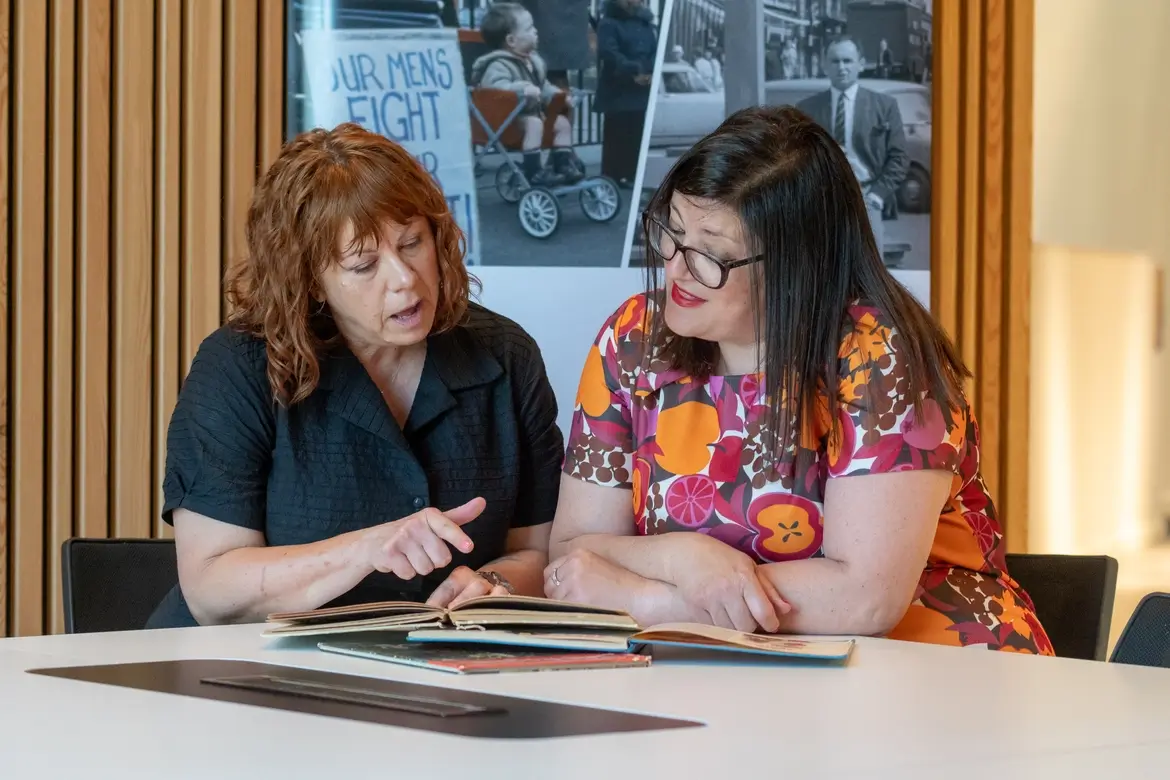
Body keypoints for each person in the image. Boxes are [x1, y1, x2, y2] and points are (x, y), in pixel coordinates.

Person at [544, 105, 1054, 655]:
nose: (674, 267)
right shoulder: (633, 338)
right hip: (727, 670)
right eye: (670, 230)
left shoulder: (877, 353)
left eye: (711, 254)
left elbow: (865, 598)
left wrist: (649, 604)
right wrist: (682, 558)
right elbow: (573, 554)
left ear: (794, 265)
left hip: (926, 661)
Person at [145, 123, 564, 629]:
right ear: (311, 282)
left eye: (412, 243)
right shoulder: (239, 366)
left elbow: (538, 553)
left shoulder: (506, 356)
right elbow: (212, 590)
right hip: (244, 675)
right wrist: (367, 548)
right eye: (364, 265)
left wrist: (495, 586)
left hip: (434, 673)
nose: (405, 279)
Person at [796, 35, 908, 257]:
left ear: (861, 64)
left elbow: (899, 158)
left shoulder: (884, 106)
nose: (842, 67)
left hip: (867, 197)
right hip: (822, 200)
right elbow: (795, 158)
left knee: (871, 271)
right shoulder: (806, 109)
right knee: (822, 269)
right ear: (825, 65)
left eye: (848, 61)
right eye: (835, 61)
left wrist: (876, 197)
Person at [471, 2, 586, 186]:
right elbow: (495, 90)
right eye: (530, 28)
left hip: (530, 116)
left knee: (562, 123)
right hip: (507, 121)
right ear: (511, 41)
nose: (536, 31)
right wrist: (521, 88)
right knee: (534, 124)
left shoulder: (533, 62)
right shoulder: (497, 65)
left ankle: (563, 165)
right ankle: (534, 171)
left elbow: (544, 86)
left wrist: (560, 96)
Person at [594, 0, 657, 188]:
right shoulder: (609, 22)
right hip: (619, 87)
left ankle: (631, 173)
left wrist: (650, 71)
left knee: (637, 130)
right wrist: (633, 70)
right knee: (617, 132)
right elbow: (609, 52)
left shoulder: (645, 22)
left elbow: (653, 49)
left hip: (642, 86)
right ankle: (612, 176)